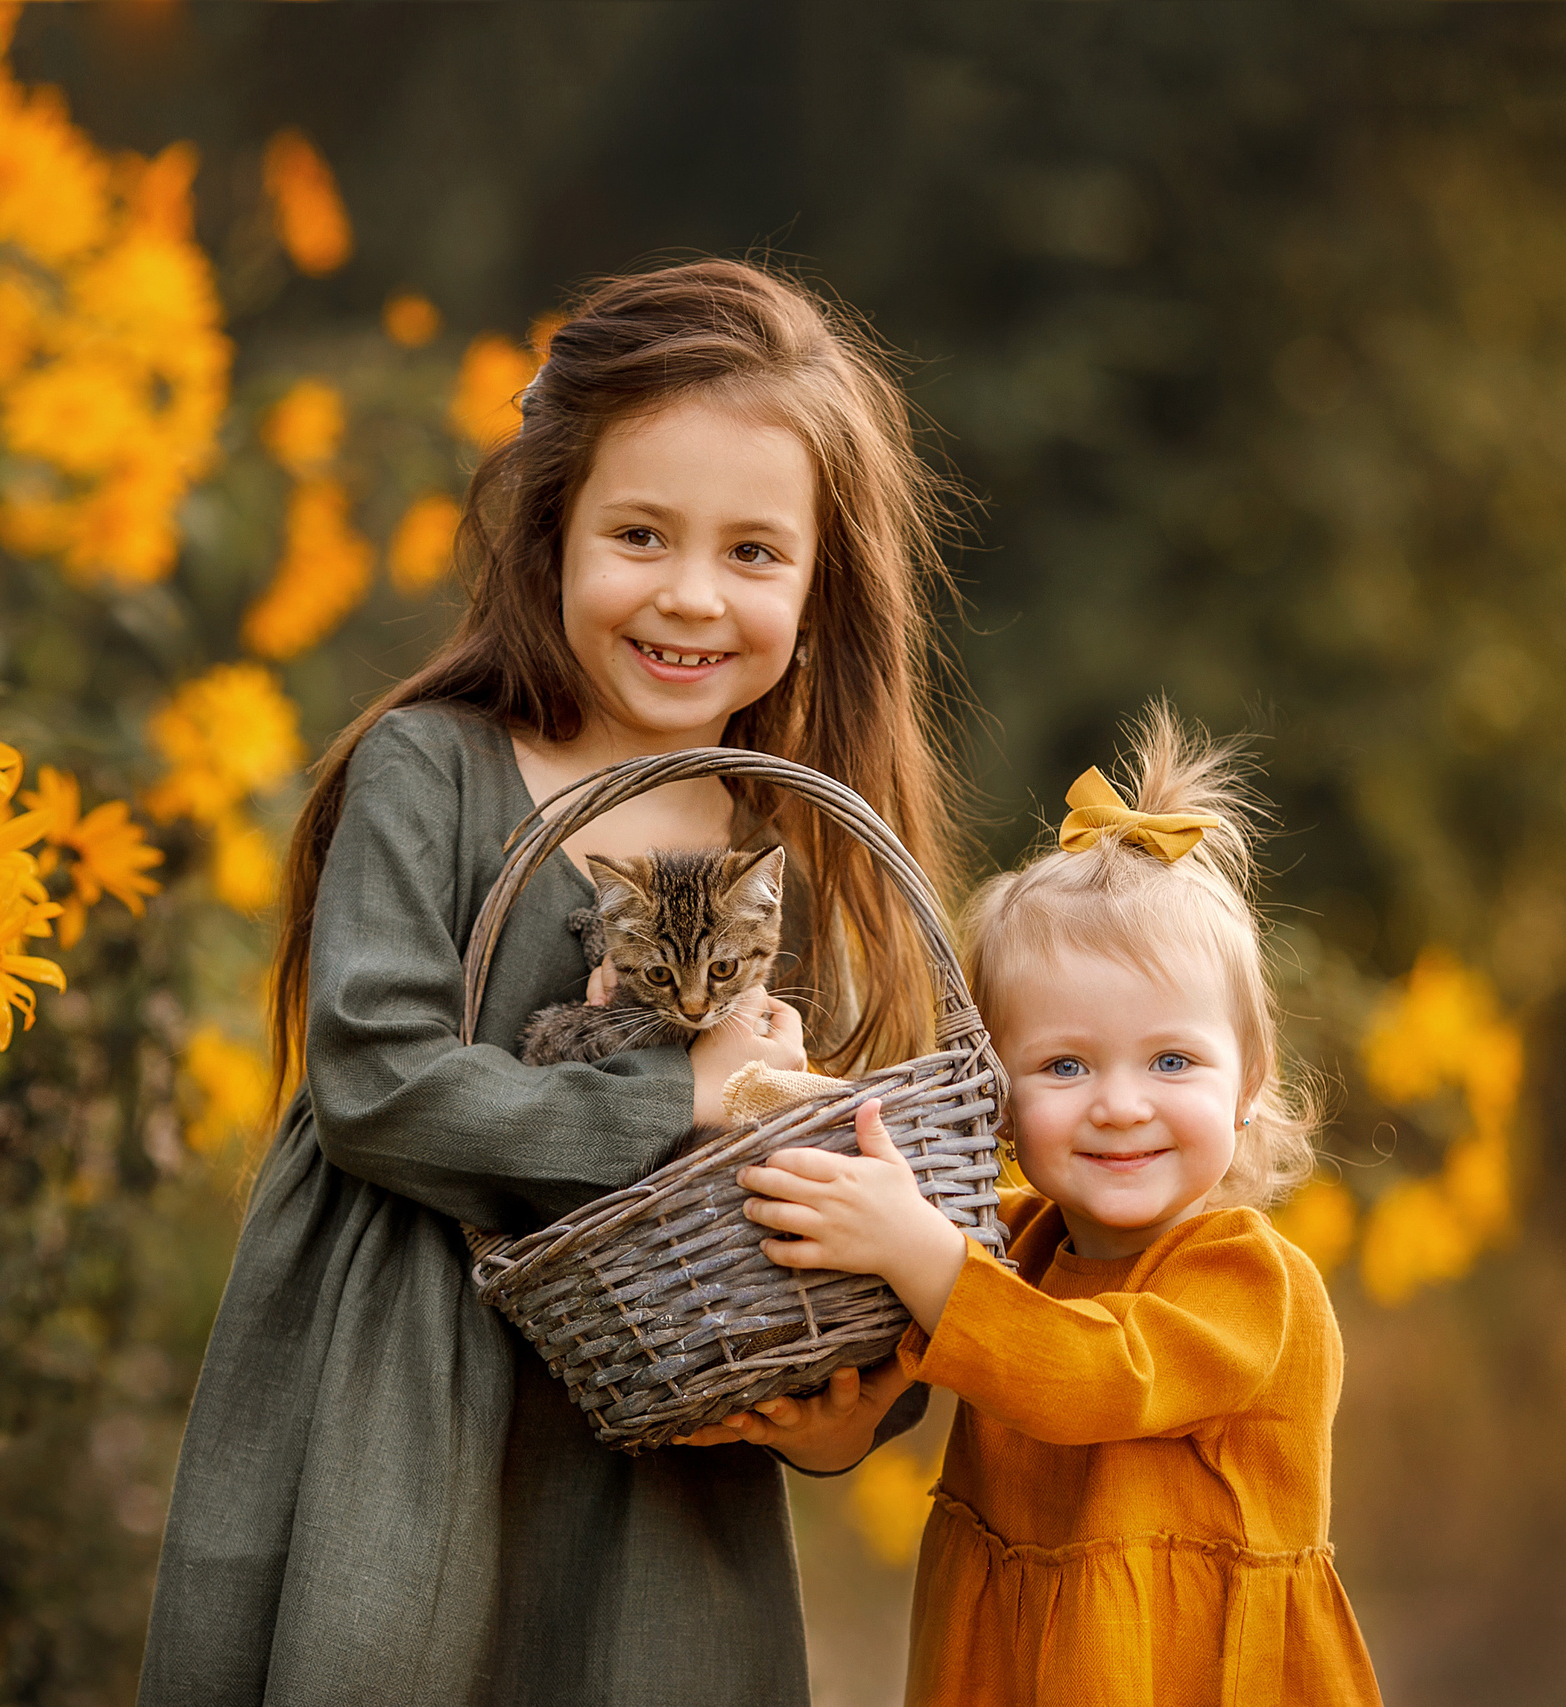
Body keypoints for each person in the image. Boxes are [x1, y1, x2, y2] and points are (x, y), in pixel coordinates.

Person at [137, 259, 967, 1707]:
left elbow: (823, 1197)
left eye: (755, 553)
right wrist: (673, 1091)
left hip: (658, 1464)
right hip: (398, 1394)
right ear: (551, 530)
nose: (692, 595)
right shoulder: (433, 773)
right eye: (640, 532)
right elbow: (373, 1081)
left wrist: (840, 1417)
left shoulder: (795, 842)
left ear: (824, 579)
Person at [739, 704, 1385, 1705]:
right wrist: (826, 1428)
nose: (1120, 1105)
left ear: (1250, 1080)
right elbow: (909, 1363)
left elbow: (1094, 1375)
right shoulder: (1017, 1241)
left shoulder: (1254, 1283)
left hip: (1183, 1674)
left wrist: (916, 1250)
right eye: (1064, 1064)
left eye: (1172, 1060)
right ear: (993, 1092)